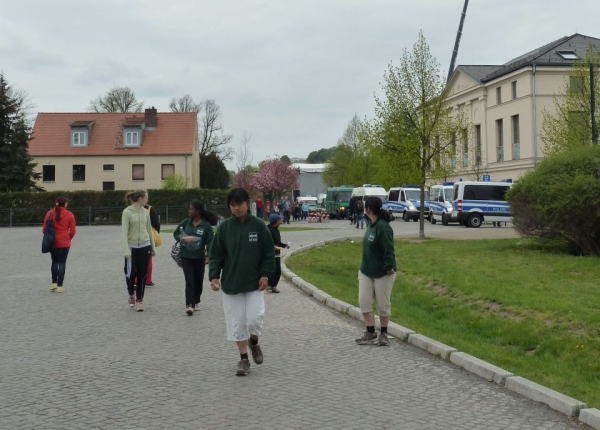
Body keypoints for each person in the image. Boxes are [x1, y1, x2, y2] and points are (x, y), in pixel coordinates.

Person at [209, 188, 275, 376]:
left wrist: (265, 274)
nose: (236, 208)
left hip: (255, 283)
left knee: (254, 319)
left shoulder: (259, 226)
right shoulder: (224, 228)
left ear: (248, 203)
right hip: (231, 284)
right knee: (237, 323)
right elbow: (216, 255)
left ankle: (254, 341)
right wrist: (214, 276)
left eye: (239, 204)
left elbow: (268, 253)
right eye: (232, 205)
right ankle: (244, 360)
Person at [355, 196, 397, 347]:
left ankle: (384, 334)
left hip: (383, 272)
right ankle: (370, 332)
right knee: (364, 301)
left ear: (368, 209)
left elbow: (389, 249)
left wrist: (389, 266)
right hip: (366, 271)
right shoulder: (371, 224)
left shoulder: (383, 227)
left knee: (383, 304)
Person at [174, 201, 217, 315]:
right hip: (186, 256)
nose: (189, 211)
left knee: (198, 281)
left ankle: (196, 300)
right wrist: (183, 238)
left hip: (199, 257)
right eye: (189, 209)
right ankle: (189, 305)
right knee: (189, 281)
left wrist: (208, 255)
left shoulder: (206, 226)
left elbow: (210, 242)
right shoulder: (185, 223)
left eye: (191, 209)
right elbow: (176, 234)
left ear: (198, 211)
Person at [121, 189, 155, 312]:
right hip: (131, 246)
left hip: (145, 245)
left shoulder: (146, 212)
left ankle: (139, 300)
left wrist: (152, 247)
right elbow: (124, 232)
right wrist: (126, 249)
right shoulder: (127, 212)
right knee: (130, 273)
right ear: (140, 198)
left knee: (142, 274)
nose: (147, 200)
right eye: (146, 198)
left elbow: (149, 229)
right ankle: (131, 293)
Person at [42, 196, 76, 293]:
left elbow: (44, 229)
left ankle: (53, 283)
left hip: (53, 242)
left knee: (54, 262)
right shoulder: (69, 214)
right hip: (64, 242)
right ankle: (60, 286)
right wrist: (68, 238)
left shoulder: (49, 213)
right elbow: (73, 230)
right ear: (65, 204)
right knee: (62, 263)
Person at [267, 214, 290, 293]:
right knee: (273, 270)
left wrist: (285, 245)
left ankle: (273, 286)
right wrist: (273, 247)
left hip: (277, 253)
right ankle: (269, 285)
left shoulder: (277, 230)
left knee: (278, 271)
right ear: (276, 221)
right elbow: (267, 243)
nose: (280, 222)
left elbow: (278, 242)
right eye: (279, 220)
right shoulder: (269, 230)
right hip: (270, 254)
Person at [141, 203, 160, 287]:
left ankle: (136, 280)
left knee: (135, 260)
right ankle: (147, 281)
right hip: (148, 238)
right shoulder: (149, 209)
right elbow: (156, 224)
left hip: (134, 239)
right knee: (148, 260)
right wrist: (156, 234)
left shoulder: (131, 209)